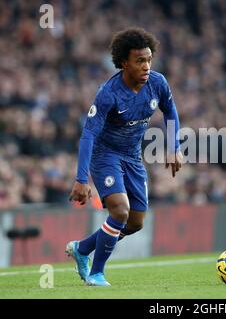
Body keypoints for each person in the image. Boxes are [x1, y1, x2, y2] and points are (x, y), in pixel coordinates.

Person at [66, 27, 183, 286]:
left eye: (149, 59)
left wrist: (174, 146)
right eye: (140, 60)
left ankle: (82, 248)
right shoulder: (109, 94)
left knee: (135, 223)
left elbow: (171, 112)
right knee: (120, 211)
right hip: (105, 155)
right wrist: (81, 178)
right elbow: (88, 135)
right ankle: (96, 274)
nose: (147, 66)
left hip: (132, 156)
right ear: (123, 63)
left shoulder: (158, 83)